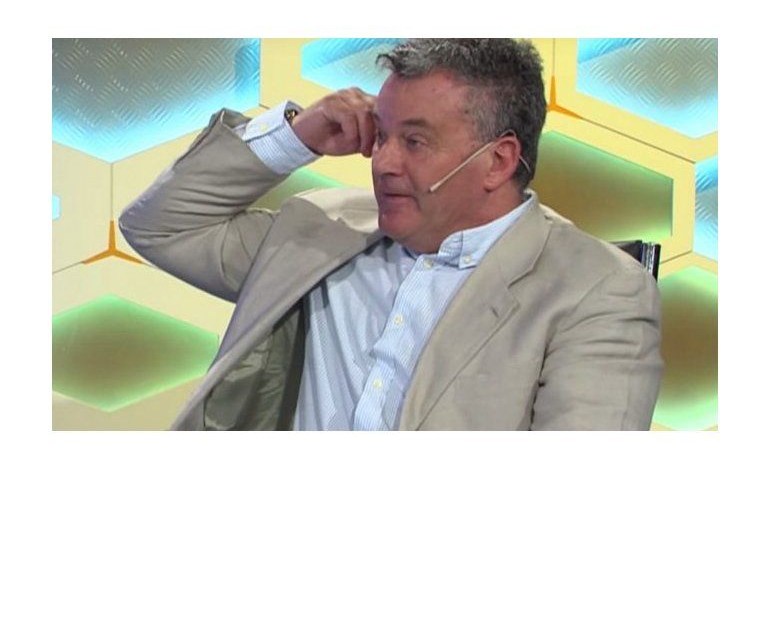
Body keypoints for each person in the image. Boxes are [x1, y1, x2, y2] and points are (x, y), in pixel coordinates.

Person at [119, 38, 664, 430]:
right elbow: (160, 227)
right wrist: (296, 137)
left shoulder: (598, 290)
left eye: (415, 142)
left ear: (498, 161)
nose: (382, 163)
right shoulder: (320, 231)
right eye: (381, 136)